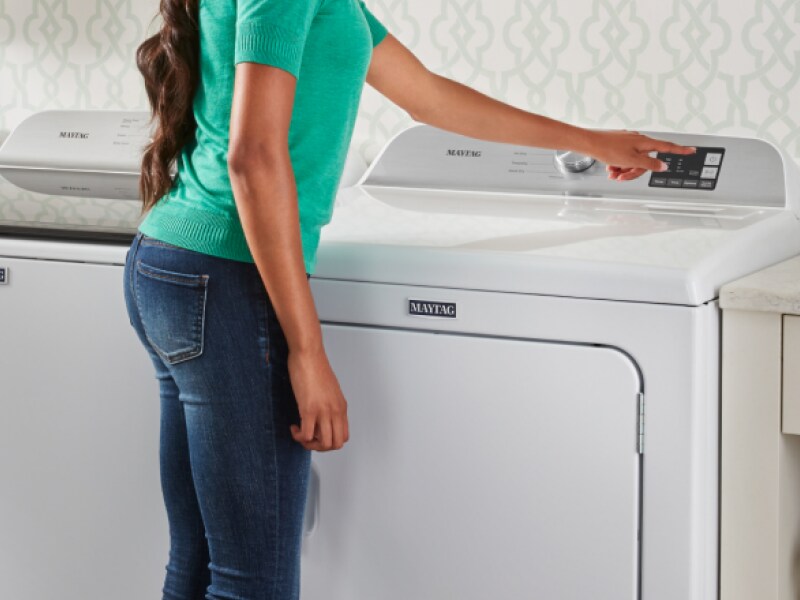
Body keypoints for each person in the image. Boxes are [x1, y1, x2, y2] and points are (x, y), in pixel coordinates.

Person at [122, 1, 696, 599]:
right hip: (227, 278)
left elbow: (427, 96)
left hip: (173, 264)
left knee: (200, 564)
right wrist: (307, 350)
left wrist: (589, 141)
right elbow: (253, 156)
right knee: (251, 583)